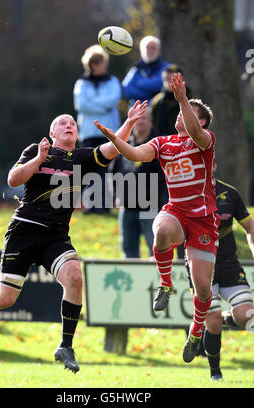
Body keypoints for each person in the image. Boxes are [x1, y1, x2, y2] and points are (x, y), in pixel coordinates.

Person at [0, 100, 148, 373]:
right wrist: (38, 159)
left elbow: (112, 149)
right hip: (24, 231)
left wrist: (130, 122)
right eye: (63, 123)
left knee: (75, 277)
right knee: (5, 299)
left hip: (55, 237)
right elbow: (14, 180)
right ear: (52, 134)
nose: (69, 125)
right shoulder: (35, 151)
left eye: (72, 123)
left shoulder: (81, 158)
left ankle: (65, 346)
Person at [94, 73, 218, 363]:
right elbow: (136, 155)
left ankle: (196, 331)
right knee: (161, 232)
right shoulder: (163, 143)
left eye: (187, 112)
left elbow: (197, 132)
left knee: (201, 288)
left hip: (202, 219)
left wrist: (184, 98)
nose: (179, 114)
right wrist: (114, 137)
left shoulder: (204, 141)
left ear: (200, 121)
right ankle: (165, 284)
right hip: (176, 210)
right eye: (178, 109)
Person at [202, 163, 254, 381]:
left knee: (249, 317)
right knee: (212, 321)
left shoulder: (230, 193)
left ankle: (227, 317)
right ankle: (215, 372)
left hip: (229, 264)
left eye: (208, 161)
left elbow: (250, 227)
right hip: (201, 267)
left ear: (214, 165)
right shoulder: (183, 195)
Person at [149, 63, 192, 260]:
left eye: (173, 78)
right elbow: (155, 128)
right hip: (165, 154)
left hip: (187, 153)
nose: (169, 83)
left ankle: (186, 249)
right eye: (166, 79)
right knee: (166, 199)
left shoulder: (189, 98)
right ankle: (166, 246)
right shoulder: (158, 101)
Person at [73, 44, 122, 213]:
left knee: (107, 170)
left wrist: (94, 104)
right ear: (93, 64)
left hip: (109, 132)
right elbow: (82, 105)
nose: (105, 65)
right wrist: (102, 105)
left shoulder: (113, 81)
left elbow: (112, 100)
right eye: (102, 62)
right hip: (89, 132)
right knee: (90, 169)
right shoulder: (82, 83)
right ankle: (90, 205)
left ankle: (104, 206)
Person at [114, 108, 166, 258]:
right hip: (127, 207)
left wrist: (153, 195)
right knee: (128, 252)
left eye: (144, 118)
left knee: (155, 249)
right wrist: (117, 196)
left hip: (150, 207)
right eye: (138, 119)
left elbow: (164, 177)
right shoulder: (124, 144)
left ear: (150, 121)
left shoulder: (158, 145)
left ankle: (158, 281)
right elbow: (113, 172)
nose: (141, 122)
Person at [122, 35, 169, 107]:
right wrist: (153, 93)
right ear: (142, 50)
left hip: (158, 111)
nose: (150, 51)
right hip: (138, 114)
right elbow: (127, 90)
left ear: (159, 51)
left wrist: (139, 83)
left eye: (153, 48)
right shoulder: (135, 69)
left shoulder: (166, 68)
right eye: (148, 48)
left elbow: (160, 85)